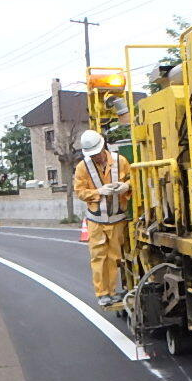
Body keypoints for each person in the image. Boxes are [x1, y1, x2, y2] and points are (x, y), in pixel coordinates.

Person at [73, 130, 132, 307]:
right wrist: (98, 192)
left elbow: (133, 179)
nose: (96, 157)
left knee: (114, 257)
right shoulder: (83, 167)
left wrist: (126, 186)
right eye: (92, 155)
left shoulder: (120, 161)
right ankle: (102, 293)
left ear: (103, 146)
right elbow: (80, 192)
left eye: (97, 153)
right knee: (99, 257)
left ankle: (112, 292)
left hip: (117, 218)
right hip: (96, 220)